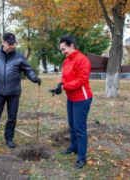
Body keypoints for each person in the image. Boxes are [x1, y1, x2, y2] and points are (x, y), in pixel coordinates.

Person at [0, 32, 41, 148]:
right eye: (10, 43)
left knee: (12, 117)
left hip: (14, 92)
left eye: (14, 44)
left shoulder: (19, 56)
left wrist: (34, 78)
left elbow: (27, 69)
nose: (12, 46)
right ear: (3, 42)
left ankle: (9, 138)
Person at [50, 35, 93, 169]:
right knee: (72, 125)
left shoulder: (82, 60)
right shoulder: (67, 61)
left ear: (72, 46)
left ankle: (82, 158)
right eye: (62, 50)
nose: (63, 52)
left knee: (80, 128)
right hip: (72, 97)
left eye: (64, 49)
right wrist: (60, 86)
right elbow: (64, 77)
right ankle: (74, 147)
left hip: (82, 98)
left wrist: (64, 87)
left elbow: (81, 80)